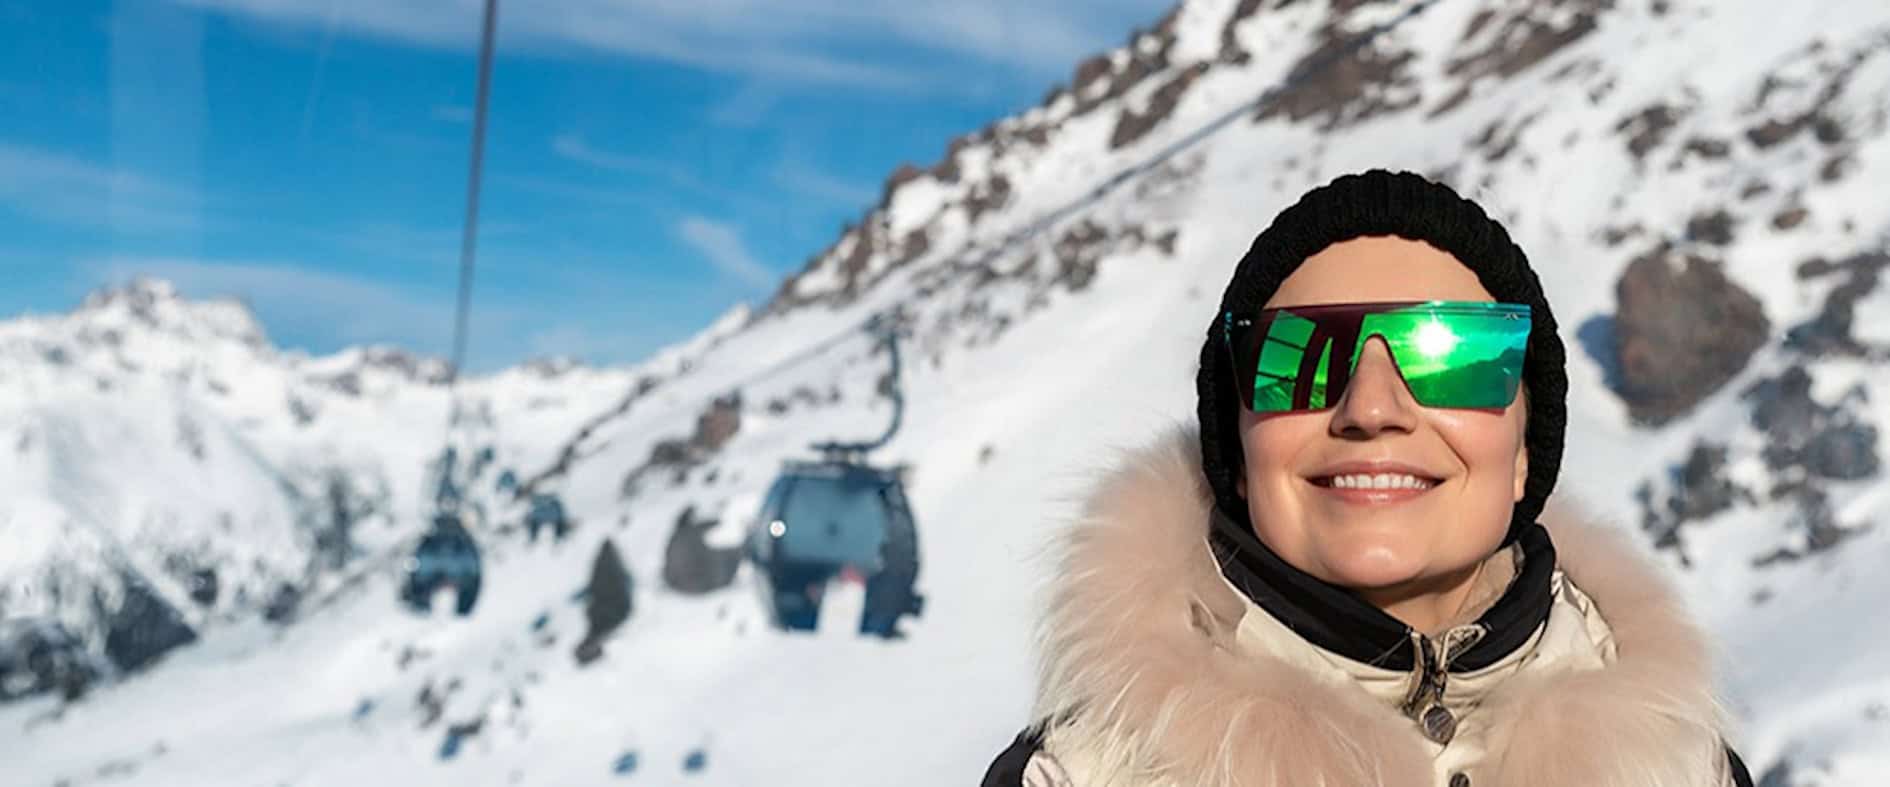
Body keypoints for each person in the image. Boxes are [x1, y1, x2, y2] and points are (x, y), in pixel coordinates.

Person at [982, 170, 1755, 787]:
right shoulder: (1081, 773)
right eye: (1296, 358)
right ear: (1240, 452)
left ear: (1525, 450)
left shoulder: (1687, 768)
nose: (1371, 406)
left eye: (1453, 353)